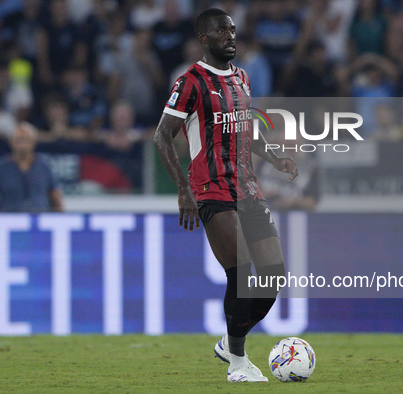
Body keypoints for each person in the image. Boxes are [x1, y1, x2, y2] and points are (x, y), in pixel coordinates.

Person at [153, 8, 298, 383]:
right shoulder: (190, 82)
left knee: (272, 278)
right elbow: (161, 135)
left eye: (232, 30)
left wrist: (274, 157)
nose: (230, 36)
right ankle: (237, 362)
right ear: (204, 38)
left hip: (247, 187)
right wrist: (183, 190)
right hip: (210, 189)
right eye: (221, 30)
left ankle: (230, 340)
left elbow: (246, 127)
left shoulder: (242, 78)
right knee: (242, 270)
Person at [0, 122, 63, 212]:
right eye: (19, 140)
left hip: (39, 220)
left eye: (26, 140)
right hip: (9, 220)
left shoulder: (44, 166)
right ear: (11, 142)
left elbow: (55, 197)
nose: (23, 145)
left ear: (34, 142)